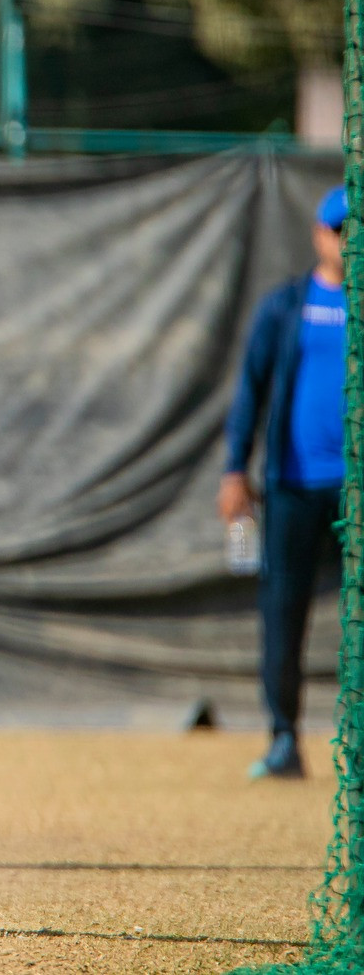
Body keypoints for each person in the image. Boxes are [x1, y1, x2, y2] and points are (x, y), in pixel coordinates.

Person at [221, 184, 348, 781]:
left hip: (357, 492)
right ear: (320, 235)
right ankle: (283, 739)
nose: (352, 243)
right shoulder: (287, 306)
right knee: (283, 611)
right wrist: (233, 471)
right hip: (295, 486)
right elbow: (250, 390)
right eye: (342, 231)